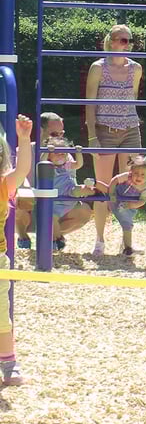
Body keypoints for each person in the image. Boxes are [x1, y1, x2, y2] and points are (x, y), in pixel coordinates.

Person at [85, 24, 143, 258]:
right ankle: (99, 239)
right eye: (120, 40)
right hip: (104, 130)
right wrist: (91, 136)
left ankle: (126, 241)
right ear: (110, 41)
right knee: (103, 185)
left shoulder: (136, 68)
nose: (124, 45)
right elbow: (89, 102)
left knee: (131, 184)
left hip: (130, 129)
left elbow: (134, 97)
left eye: (128, 41)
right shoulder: (98, 68)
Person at [0, 115, 32, 384]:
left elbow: (21, 172)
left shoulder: (3, 186)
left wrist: (23, 140)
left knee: (1, 316)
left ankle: (8, 362)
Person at [16, 110, 66, 249]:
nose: (59, 138)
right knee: (21, 200)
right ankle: (23, 236)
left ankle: (54, 236)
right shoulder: (25, 150)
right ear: (40, 131)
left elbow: (69, 178)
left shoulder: (63, 152)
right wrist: (25, 190)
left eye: (61, 134)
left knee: (83, 210)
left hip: (53, 204)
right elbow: (16, 176)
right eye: (54, 134)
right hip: (30, 206)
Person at [41, 137, 93, 249]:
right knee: (52, 218)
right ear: (50, 156)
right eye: (56, 154)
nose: (60, 156)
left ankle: (89, 189)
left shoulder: (67, 165)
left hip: (68, 192)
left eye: (63, 154)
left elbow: (78, 164)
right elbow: (42, 161)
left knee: (76, 190)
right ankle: (57, 239)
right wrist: (46, 151)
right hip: (55, 200)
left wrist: (78, 152)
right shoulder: (48, 166)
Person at [106, 154, 146, 257]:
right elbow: (114, 180)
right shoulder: (127, 176)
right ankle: (94, 184)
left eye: (143, 175)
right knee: (104, 190)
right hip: (115, 198)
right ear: (131, 171)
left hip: (128, 206)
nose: (139, 177)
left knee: (127, 225)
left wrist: (131, 205)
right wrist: (111, 193)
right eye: (136, 173)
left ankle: (127, 249)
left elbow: (142, 201)